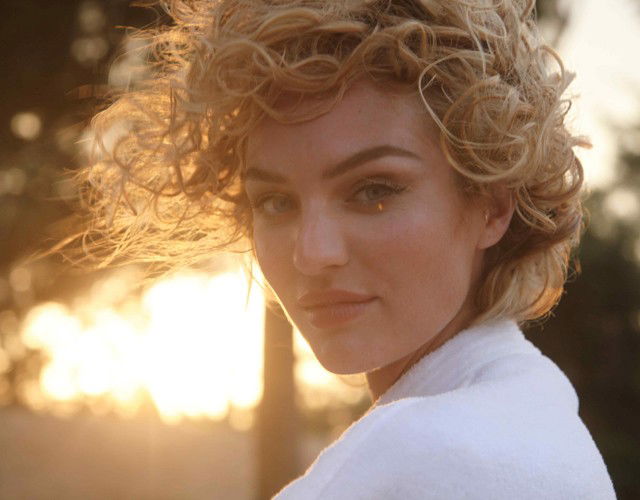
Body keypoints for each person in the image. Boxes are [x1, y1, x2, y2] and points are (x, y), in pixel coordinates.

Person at [77, 0, 616, 497]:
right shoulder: (534, 411)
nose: (312, 254)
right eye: (275, 202)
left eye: (374, 191)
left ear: (492, 207)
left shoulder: (428, 455)